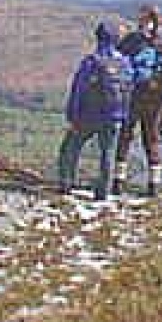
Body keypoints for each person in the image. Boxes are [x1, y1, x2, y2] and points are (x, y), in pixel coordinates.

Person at [58, 21, 134, 201]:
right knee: (107, 153)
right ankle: (103, 192)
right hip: (115, 115)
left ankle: (66, 183)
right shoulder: (125, 62)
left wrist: (72, 114)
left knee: (70, 147)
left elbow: (79, 89)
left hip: (90, 115)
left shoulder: (92, 61)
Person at [113, 5, 162, 197]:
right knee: (151, 138)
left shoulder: (133, 40)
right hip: (157, 96)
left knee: (125, 135)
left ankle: (118, 181)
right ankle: (154, 185)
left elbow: (117, 60)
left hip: (135, 93)